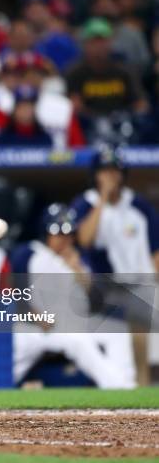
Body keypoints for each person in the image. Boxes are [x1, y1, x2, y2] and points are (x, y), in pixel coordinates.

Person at [10, 203, 136, 389]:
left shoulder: (79, 257)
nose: (64, 239)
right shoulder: (28, 253)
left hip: (74, 324)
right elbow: (11, 292)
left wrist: (78, 270)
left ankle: (125, 385)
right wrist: (32, 314)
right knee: (14, 358)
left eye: (68, 233)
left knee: (116, 331)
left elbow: (95, 300)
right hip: (35, 327)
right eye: (58, 233)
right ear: (46, 233)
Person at [72, 146, 158, 385]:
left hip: (139, 281)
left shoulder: (138, 205)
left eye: (115, 171)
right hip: (102, 285)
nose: (110, 176)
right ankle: (123, 382)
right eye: (104, 171)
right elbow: (84, 239)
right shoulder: (85, 204)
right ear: (95, 174)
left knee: (142, 327)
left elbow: (155, 249)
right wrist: (102, 198)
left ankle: (143, 384)